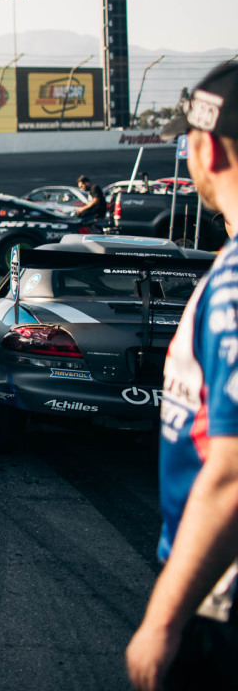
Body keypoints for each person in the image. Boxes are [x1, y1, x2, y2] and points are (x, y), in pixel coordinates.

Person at [126, 62, 238, 691]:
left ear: (206, 147)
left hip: (220, 593)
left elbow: (233, 472)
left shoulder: (235, 286)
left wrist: (164, 619)